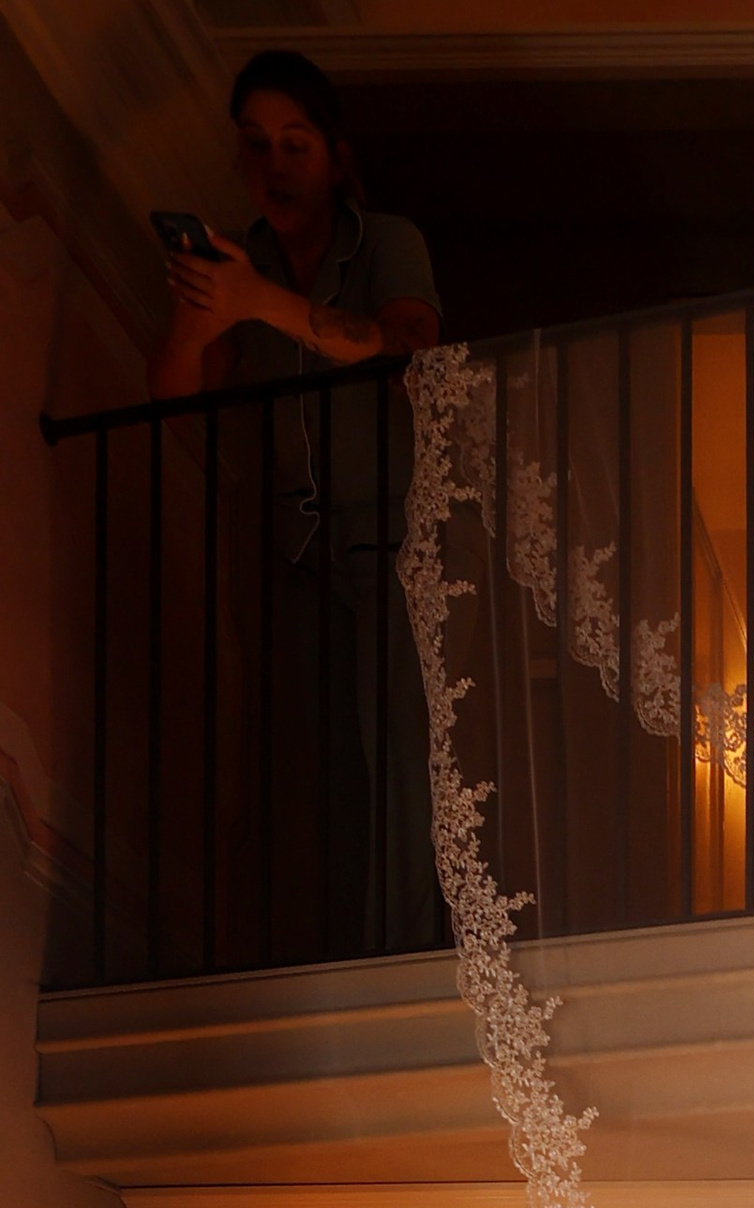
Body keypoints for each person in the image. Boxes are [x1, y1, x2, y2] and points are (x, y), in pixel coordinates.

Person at [148, 54, 444, 946]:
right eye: (255, 146)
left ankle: (407, 950)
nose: (274, 166)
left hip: (394, 532)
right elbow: (174, 395)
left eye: (294, 144)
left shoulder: (386, 240)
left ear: (333, 157)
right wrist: (205, 315)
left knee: (400, 752)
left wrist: (261, 302)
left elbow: (407, 350)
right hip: (296, 548)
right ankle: (328, 953)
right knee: (314, 768)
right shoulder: (253, 266)